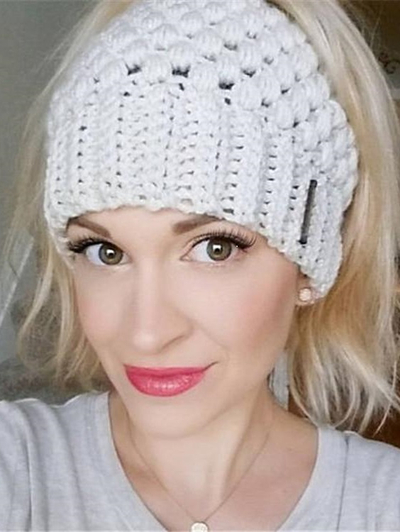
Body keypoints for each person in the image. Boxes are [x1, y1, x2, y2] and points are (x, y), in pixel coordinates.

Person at [1, 0, 400, 530]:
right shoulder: (19, 467)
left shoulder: (385, 503)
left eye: (215, 248)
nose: (147, 334)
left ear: (310, 262)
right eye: (105, 252)